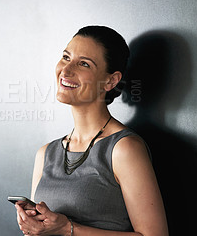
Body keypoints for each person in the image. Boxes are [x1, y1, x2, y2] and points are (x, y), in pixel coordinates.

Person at [15, 26, 168, 236]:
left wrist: (68, 228)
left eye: (84, 64)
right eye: (66, 57)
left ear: (111, 81)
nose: (66, 71)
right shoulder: (45, 153)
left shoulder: (124, 149)